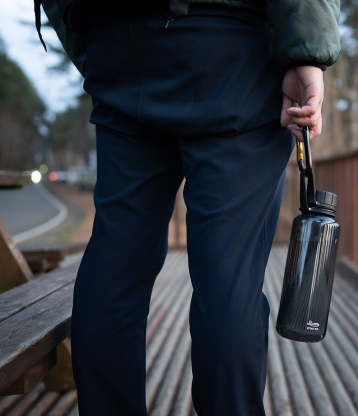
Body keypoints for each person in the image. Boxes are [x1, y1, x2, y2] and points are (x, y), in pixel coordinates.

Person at [34, 1, 341, 415]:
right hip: (234, 55)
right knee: (228, 280)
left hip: (121, 54)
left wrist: (96, 44)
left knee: (115, 267)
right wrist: (307, 55)